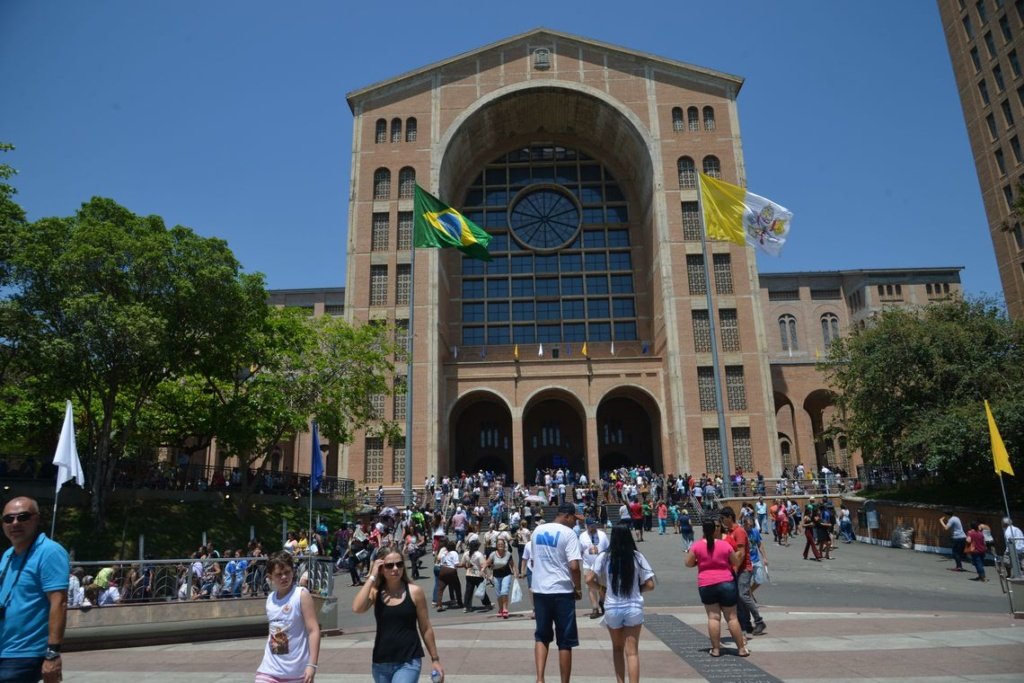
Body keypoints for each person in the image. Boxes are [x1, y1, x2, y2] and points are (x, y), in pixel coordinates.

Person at [0, 497, 70, 683]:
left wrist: (52, 654)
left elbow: (59, 603)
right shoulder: (8, 555)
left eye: (23, 517)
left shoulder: (49, 552)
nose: (15, 523)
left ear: (37, 519)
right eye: (9, 519)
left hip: (25, 653)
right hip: (4, 649)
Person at [352, 549, 443, 683]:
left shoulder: (415, 592)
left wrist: (435, 659)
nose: (395, 568)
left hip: (409, 661)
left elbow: (425, 627)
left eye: (399, 564)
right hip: (381, 662)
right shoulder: (375, 592)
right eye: (389, 565)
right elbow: (357, 608)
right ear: (381, 569)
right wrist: (372, 576)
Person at [586, 523, 655, 683]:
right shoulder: (637, 557)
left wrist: (602, 588)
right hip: (633, 607)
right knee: (632, 652)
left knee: (617, 649)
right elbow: (650, 585)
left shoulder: (604, 557)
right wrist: (637, 589)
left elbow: (588, 579)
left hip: (612, 607)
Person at [529, 502, 583, 683]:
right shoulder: (569, 534)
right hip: (562, 590)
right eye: (574, 519)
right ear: (566, 516)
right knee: (565, 640)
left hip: (540, 589)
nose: (575, 523)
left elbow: (534, 561)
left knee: (541, 636)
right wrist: (578, 588)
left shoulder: (537, 531)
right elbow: (574, 566)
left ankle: (539, 678)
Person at [685, 519, 747, 658]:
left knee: (713, 618)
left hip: (706, 583)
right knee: (732, 617)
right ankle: (741, 649)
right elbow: (735, 562)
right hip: (726, 582)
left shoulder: (696, 546)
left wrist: (699, 563)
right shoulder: (724, 545)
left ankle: (716, 649)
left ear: (703, 530)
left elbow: (688, 563)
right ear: (715, 530)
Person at [256, 552, 321, 683]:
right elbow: (275, 632)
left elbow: (313, 630)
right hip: (270, 669)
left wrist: (312, 665)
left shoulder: (301, 595)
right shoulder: (270, 599)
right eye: (279, 574)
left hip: (296, 673)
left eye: (287, 572)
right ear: (270, 577)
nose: (284, 577)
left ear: (293, 572)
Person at [720, 505, 766, 637]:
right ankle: (746, 624)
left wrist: (734, 569)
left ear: (729, 517)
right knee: (739, 598)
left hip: (744, 568)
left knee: (743, 595)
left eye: (723, 518)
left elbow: (741, 553)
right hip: (737, 568)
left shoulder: (739, 531)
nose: (722, 521)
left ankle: (759, 621)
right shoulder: (730, 532)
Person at [579, 518, 609, 619]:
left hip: (602, 566)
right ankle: (595, 608)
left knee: (602, 585)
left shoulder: (602, 535)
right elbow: (580, 551)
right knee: (591, 587)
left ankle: (603, 604)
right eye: (591, 526)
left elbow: (608, 549)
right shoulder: (582, 536)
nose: (593, 528)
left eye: (594, 526)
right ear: (586, 526)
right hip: (588, 566)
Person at [486, 537, 518, 619]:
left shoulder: (508, 554)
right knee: (498, 594)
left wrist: (515, 572)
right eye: (499, 544)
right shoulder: (493, 554)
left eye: (502, 544)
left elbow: (512, 564)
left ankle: (505, 609)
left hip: (506, 575)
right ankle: (500, 609)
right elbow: (486, 563)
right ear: (496, 545)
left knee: (504, 591)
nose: (500, 545)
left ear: (504, 545)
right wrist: (485, 572)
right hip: (496, 576)